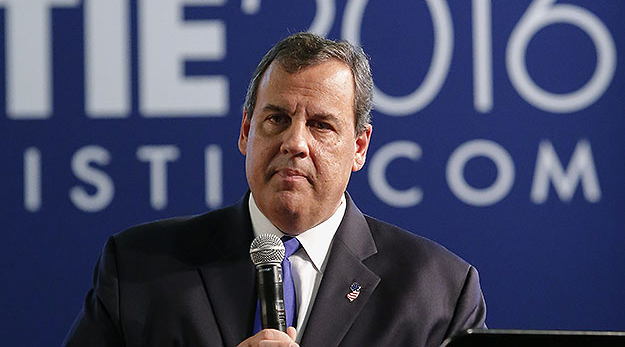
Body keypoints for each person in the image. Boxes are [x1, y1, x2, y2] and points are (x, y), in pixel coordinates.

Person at [64, 32, 486, 347]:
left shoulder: (439, 292)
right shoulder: (138, 269)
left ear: (359, 147)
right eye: (277, 119)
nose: (295, 143)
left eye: (321, 125)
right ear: (247, 132)